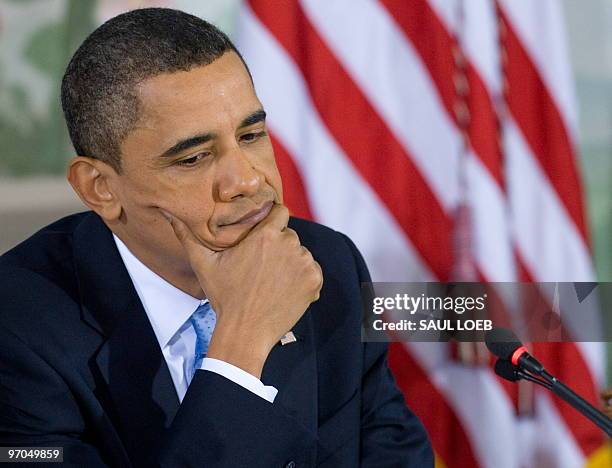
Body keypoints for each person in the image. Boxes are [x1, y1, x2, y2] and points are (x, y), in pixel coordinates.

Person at [0, 8, 432, 467]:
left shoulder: (327, 262)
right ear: (100, 188)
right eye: (194, 158)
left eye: (251, 135)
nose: (245, 180)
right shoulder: (16, 329)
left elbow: (391, 450)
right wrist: (241, 345)